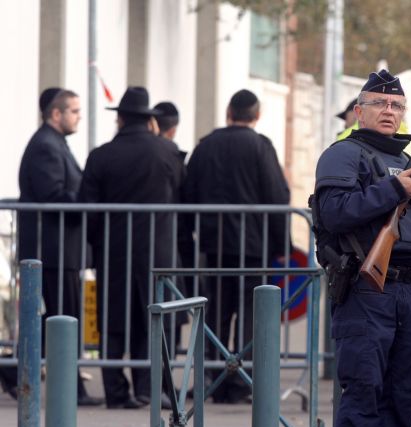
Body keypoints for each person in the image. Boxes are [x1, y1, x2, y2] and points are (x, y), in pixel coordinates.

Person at [315, 69, 411, 427]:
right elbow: (334, 213)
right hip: (366, 291)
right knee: (363, 396)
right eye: (379, 103)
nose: (388, 110)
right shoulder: (343, 155)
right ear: (359, 112)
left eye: (396, 105)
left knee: (404, 399)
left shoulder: (409, 161)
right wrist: (394, 188)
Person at [182, 89, 290, 403]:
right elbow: (276, 195)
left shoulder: (206, 145)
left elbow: (188, 191)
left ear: (229, 112)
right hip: (254, 247)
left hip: (213, 246)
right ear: (256, 115)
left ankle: (213, 379)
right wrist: (282, 241)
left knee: (215, 312)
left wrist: (192, 234)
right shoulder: (261, 146)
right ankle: (243, 381)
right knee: (250, 314)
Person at [79, 87, 183, 409]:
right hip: (158, 248)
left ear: (120, 119)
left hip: (114, 250)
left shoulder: (101, 155)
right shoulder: (167, 152)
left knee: (112, 320)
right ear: (149, 119)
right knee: (151, 318)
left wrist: (98, 241)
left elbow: (88, 209)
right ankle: (147, 388)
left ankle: (115, 390)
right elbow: (182, 194)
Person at [17, 87, 103, 406]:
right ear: (57, 114)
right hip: (53, 250)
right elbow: (52, 195)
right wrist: (87, 200)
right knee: (62, 319)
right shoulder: (46, 146)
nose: (79, 116)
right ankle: (69, 389)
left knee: (55, 319)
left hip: (58, 250)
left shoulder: (54, 144)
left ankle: (15, 374)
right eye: (75, 111)